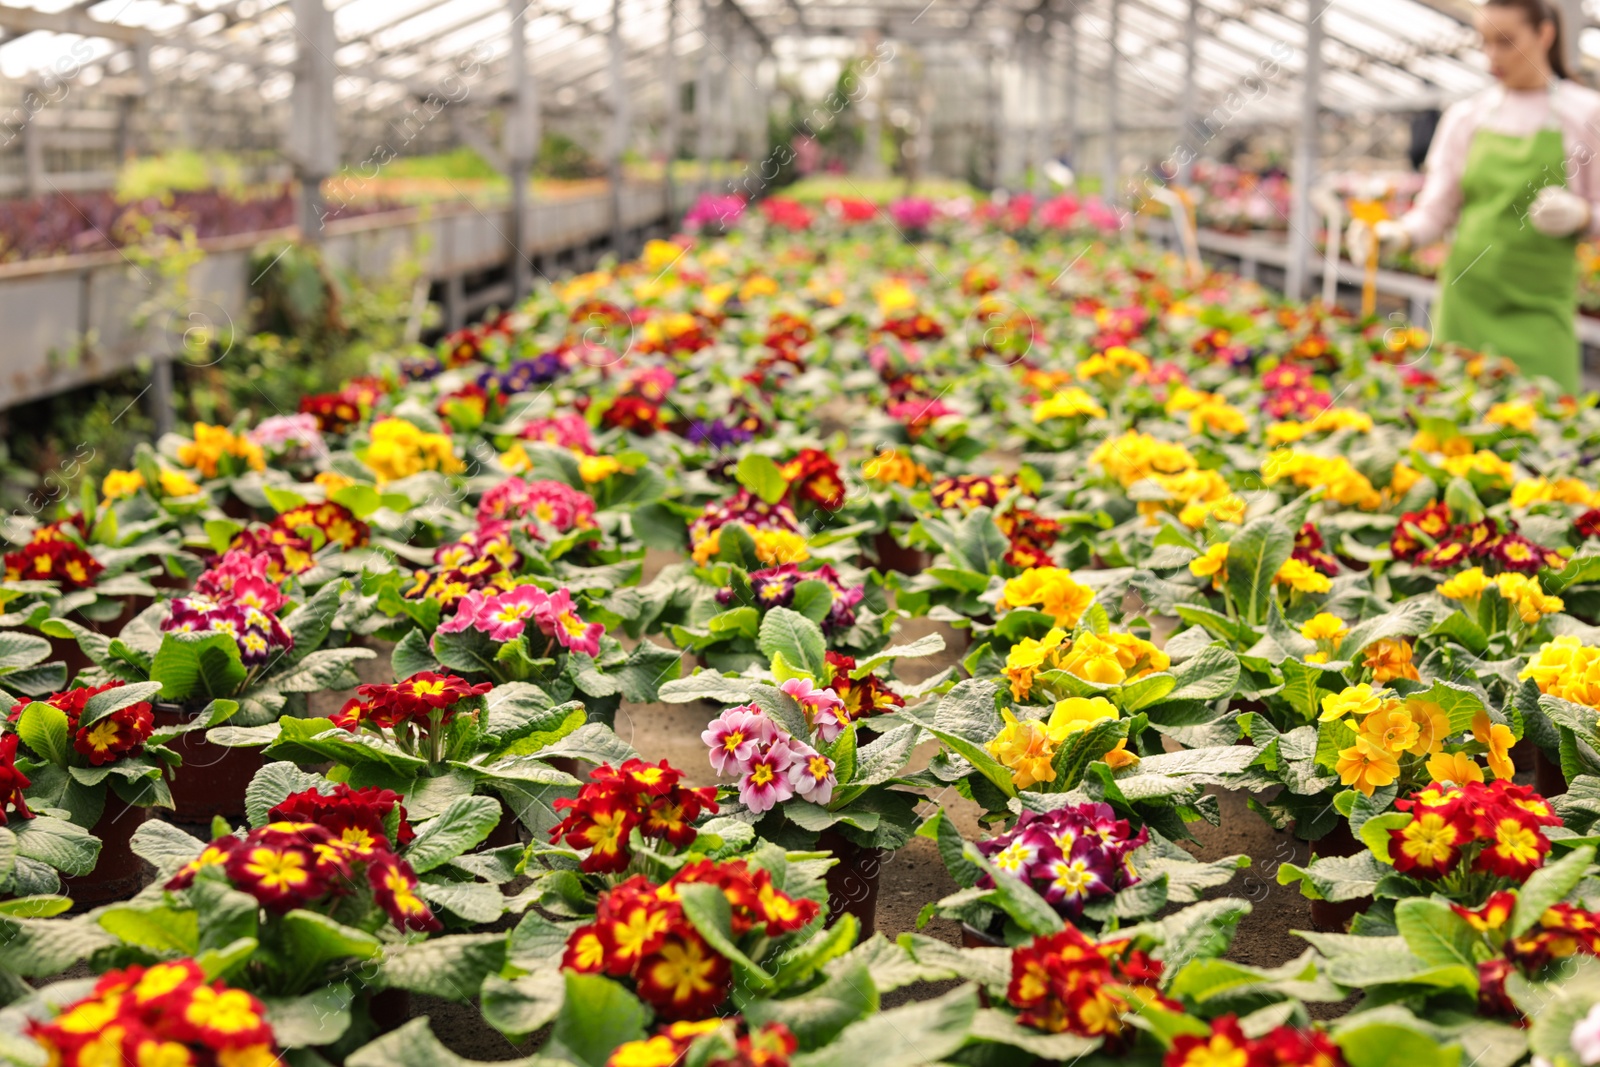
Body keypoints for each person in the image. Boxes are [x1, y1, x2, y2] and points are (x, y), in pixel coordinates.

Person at [1348, 0, 1600, 393]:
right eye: (1484, 43)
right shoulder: (1467, 116)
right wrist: (1396, 235)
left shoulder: (1586, 114)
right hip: (1465, 304)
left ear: (1544, 34)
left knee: (1547, 430)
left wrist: (1584, 216)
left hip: (1540, 310)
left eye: (1506, 42)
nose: (1491, 58)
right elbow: (1436, 211)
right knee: (1456, 427)